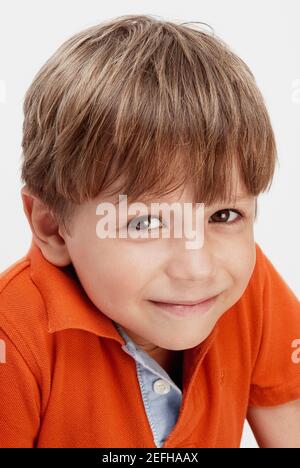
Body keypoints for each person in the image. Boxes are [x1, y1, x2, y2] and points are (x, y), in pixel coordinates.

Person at [0, 14, 299, 448]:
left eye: (223, 216)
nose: (197, 268)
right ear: (53, 227)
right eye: (145, 222)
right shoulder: (15, 339)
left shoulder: (248, 290)